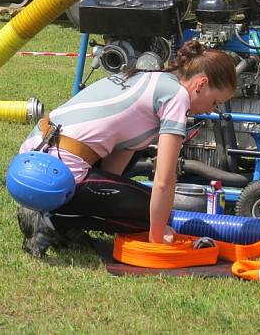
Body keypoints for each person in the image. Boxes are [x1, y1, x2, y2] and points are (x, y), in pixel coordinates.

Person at [16, 40, 237, 257]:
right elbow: (164, 180)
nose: (210, 111)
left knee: (145, 198)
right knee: (152, 215)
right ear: (201, 84)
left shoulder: (153, 76)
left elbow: (116, 163)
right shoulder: (177, 97)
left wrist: (104, 201)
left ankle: (55, 214)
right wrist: (157, 234)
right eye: (215, 102)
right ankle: (51, 221)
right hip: (55, 171)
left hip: (33, 157)